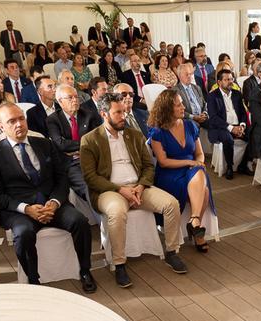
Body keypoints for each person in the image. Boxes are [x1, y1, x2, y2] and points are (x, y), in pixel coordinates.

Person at [0, 102, 95, 291]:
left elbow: (62, 178)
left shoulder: (45, 144)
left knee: (80, 221)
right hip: (19, 210)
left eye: (21, 118)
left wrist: (55, 201)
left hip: (52, 203)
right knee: (23, 234)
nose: (19, 124)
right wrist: (26, 209)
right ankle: (33, 281)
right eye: (12, 121)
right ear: (1, 127)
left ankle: (84, 270)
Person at [79, 94, 188, 287]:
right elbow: (91, 177)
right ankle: (120, 264)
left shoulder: (134, 135)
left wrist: (140, 186)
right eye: (118, 112)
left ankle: (172, 252)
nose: (124, 115)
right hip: (109, 190)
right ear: (104, 114)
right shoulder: (90, 140)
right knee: (117, 211)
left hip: (138, 187)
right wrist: (121, 190)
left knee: (171, 204)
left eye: (124, 110)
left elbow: (148, 166)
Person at [147, 89, 215, 253]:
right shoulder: (158, 131)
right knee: (203, 191)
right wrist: (189, 162)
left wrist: (197, 162)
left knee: (200, 173)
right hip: (170, 173)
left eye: (182, 104)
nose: (183, 107)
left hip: (192, 169)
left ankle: (194, 221)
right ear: (167, 109)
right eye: (178, 105)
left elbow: (199, 154)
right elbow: (163, 162)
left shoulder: (190, 125)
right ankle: (197, 232)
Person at [45, 85, 102, 202]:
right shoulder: (53, 119)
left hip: (93, 158)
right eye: (70, 98)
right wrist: (86, 144)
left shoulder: (89, 114)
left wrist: (82, 149)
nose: (75, 100)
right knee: (89, 189)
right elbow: (60, 144)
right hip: (71, 164)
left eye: (76, 97)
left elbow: (98, 139)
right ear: (60, 101)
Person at [206, 69, 248, 180]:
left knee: (255, 134)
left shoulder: (237, 94)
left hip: (237, 126)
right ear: (219, 82)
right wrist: (231, 128)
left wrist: (242, 126)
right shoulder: (212, 96)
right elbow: (214, 118)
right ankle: (230, 166)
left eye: (231, 79)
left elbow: (243, 113)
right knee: (228, 138)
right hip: (220, 128)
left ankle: (243, 165)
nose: (230, 81)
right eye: (226, 79)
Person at [120, 52, 153, 131]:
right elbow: (127, 92)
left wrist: (148, 98)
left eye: (139, 61)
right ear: (131, 63)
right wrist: (141, 99)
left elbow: (150, 88)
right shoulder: (125, 75)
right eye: (135, 61)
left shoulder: (146, 74)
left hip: (147, 98)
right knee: (142, 106)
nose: (138, 63)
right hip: (135, 100)